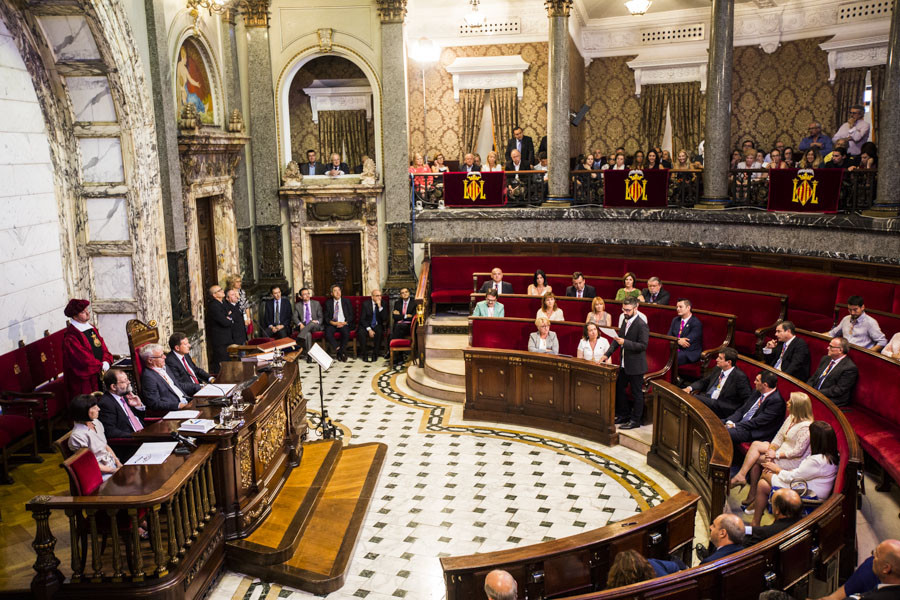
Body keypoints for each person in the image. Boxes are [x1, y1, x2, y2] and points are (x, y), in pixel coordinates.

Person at [750, 420, 839, 528]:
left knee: (766, 474)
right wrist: (780, 470)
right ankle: (756, 520)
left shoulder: (817, 460)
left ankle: (758, 516)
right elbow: (802, 473)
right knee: (763, 484)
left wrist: (777, 469)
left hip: (808, 494)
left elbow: (793, 477)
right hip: (804, 484)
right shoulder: (830, 455)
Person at [731, 392, 814, 507]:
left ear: (797, 406)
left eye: (790, 402)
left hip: (793, 460)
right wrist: (771, 450)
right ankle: (743, 478)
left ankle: (751, 491)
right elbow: (779, 437)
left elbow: (798, 452)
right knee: (756, 445)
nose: (787, 403)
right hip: (781, 450)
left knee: (756, 459)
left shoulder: (806, 427)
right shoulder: (791, 417)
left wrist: (776, 455)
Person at [602, 297, 649, 430]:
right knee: (619, 388)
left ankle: (635, 420)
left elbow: (643, 346)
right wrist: (607, 354)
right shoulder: (625, 319)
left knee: (636, 393)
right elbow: (618, 339)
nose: (625, 312)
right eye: (623, 309)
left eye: (628, 310)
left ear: (636, 308)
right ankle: (624, 414)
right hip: (624, 363)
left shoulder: (641, 324)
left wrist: (625, 343)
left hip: (636, 365)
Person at [650, 513, 745, 575]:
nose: (710, 527)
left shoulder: (708, 564)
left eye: (714, 525)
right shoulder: (743, 552)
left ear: (722, 533)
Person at [62, 298, 114, 397]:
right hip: (84, 380)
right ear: (75, 316)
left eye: (86, 309)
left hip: (99, 371)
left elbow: (102, 346)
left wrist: (106, 360)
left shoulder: (91, 327)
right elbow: (82, 358)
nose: (87, 313)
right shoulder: (71, 336)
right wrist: (100, 366)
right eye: (82, 312)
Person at [682, 348, 752, 419]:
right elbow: (704, 381)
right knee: (688, 396)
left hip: (723, 406)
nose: (716, 359)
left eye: (720, 358)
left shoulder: (740, 377)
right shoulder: (718, 368)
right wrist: (689, 388)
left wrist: (738, 416)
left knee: (692, 398)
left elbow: (748, 398)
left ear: (729, 362)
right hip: (709, 399)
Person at [723, 371, 786, 449]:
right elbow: (742, 410)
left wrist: (735, 425)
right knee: (717, 423)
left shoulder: (776, 402)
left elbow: (757, 422)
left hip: (753, 431)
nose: (754, 382)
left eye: (757, 380)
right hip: (742, 424)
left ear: (765, 385)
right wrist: (729, 421)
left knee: (723, 432)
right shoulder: (757, 391)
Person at [68, 394, 122, 480]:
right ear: (83, 412)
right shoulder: (77, 436)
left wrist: (117, 462)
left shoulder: (96, 422)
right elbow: (89, 463)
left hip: (111, 464)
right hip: (98, 473)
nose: (98, 409)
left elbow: (105, 445)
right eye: (94, 407)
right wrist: (113, 470)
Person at [807, 336, 858, 407]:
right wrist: (807, 388)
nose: (827, 348)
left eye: (831, 346)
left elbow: (838, 390)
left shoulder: (849, 367)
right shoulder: (825, 359)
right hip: (816, 392)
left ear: (840, 350)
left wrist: (816, 393)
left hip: (832, 398)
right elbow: (814, 377)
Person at [97, 368, 146, 440]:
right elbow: (110, 431)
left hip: (143, 434)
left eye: (127, 379)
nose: (129, 382)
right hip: (130, 441)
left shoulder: (126, 397)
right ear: (114, 387)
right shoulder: (106, 404)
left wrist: (138, 406)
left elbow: (140, 420)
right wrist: (135, 436)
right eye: (124, 381)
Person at [140, 343, 191, 411]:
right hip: (175, 409)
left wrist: (199, 387)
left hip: (187, 400)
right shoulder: (148, 377)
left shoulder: (164, 367)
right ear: (150, 360)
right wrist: (179, 405)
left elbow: (177, 385)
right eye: (161, 356)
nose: (165, 357)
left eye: (163, 354)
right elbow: (154, 404)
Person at [667, 298, 703, 365]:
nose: (678, 309)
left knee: (672, 357)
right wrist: (678, 340)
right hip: (676, 348)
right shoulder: (675, 320)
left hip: (689, 352)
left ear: (688, 308)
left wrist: (676, 340)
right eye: (677, 307)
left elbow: (686, 342)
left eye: (680, 307)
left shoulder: (696, 323)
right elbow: (669, 336)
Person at [206, 284, 233, 373]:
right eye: (219, 290)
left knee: (228, 362)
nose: (222, 291)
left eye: (221, 289)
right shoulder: (214, 306)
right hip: (220, 340)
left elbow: (231, 314)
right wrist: (228, 318)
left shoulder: (223, 302)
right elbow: (224, 322)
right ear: (214, 295)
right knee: (221, 363)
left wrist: (228, 317)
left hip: (227, 338)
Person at [292, 287, 324, 362]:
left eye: (308, 293)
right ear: (301, 296)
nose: (307, 295)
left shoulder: (316, 303)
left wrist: (317, 321)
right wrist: (300, 324)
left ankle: (299, 338)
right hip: (304, 325)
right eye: (304, 294)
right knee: (307, 334)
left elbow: (321, 317)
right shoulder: (298, 305)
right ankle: (309, 356)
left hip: (315, 325)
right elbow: (294, 317)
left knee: (311, 323)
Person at [324, 284, 354, 362]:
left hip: (344, 323)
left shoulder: (346, 301)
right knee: (328, 333)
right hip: (333, 323)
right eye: (335, 291)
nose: (338, 292)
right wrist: (334, 323)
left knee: (346, 333)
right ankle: (339, 350)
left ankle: (340, 352)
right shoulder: (328, 303)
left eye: (339, 290)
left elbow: (351, 315)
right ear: (331, 293)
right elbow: (326, 317)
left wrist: (344, 323)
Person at [357, 289, 389, 362]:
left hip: (377, 324)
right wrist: (369, 329)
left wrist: (380, 307)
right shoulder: (366, 304)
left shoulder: (383, 303)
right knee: (361, 333)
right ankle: (364, 354)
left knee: (379, 332)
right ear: (372, 297)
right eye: (377, 296)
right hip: (367, 325)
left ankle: (375, 354)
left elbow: (384, 318)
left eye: (380, 295)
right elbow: (362, 319)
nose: (379, 297)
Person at [225, 273, 251, 338]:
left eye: (240, 281)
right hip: (236, 318)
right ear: (232, 282)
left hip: (244, 316)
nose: (240, 283)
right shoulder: (229, 292)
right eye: (237, 282)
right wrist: (238, 298)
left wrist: (248, 318)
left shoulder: (242, 291)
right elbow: (236, 306)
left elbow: (246, 305)